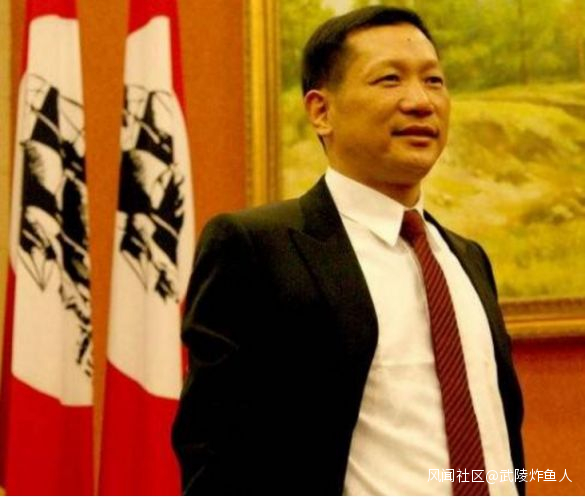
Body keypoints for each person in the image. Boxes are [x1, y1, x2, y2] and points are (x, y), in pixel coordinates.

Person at [172, 6, 524, 495]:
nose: (421, 102)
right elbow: (215, 455)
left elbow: (498, 440)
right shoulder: (256, 248)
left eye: (434, 81)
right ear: (321, 111)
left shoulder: (466, 259)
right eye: (389, 80)